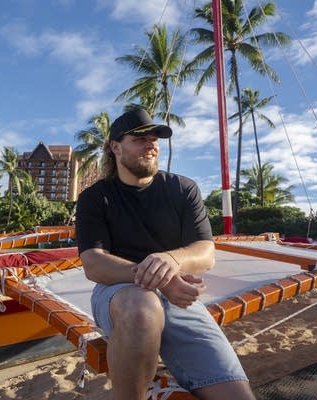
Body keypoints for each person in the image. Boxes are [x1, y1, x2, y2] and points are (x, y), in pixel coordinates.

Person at [75, 108, 255, 400]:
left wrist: (170, 261)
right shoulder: (96, 197)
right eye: (140, 138)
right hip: (120, 294)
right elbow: (94, 264)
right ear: (115, 147)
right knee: (142, 306)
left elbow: (205, 251)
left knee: (236, 395)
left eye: (155, 138)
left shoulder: (182, 189)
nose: (151, 144)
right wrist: (161, 279)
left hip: (179, 299)